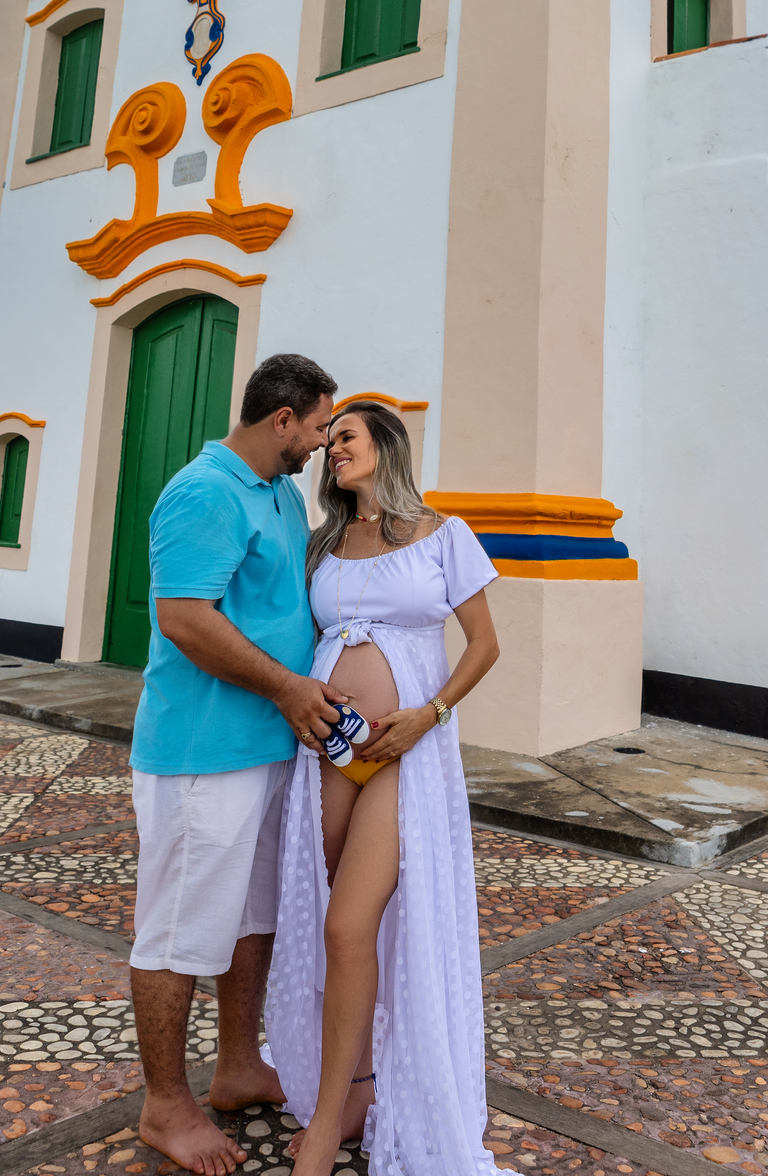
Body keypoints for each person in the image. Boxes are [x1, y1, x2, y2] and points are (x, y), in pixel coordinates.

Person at [265, 400, 513, 1176]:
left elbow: (485, 644)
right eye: (329, 440)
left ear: (386, 445)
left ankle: (325, 1125)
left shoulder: (443, 535)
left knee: (348, 928)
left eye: (346, 437)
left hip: (404, 755)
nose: (332, 450)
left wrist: (430, 713)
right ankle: (358, 1089)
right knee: (331, 924)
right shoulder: (324, 544)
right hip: (328, 752)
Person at [129, 352, 349, 1176]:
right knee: (179, 928)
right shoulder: (204, 492)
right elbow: (185, 618)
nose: (324, 441)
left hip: (265, 748)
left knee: (252, 917)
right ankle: (164, 1104)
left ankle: (237, 1065)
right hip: (202, 755)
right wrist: (290, 688)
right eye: (319, 426)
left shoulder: (281, 493)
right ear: (281, 419)